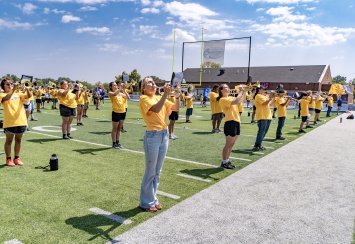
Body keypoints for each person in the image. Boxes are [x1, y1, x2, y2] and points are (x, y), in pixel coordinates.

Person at [139, 77, 179, 212]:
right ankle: (146, 202)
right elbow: (156, 109)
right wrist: (166, 94)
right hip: (153, 135)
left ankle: (152, 198)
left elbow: (175, 108)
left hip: (164, 134)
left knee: (157, 171)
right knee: (150, 171)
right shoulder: (144, 98)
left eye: (153, 82)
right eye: (149, 82)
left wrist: (177, 95)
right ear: (143, 88)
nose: (152, 84)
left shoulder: (158, 96)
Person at [0, 77, 32, 166]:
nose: (10, 85)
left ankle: (17, 158)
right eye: (8, 84)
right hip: (10, 122)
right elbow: (7, 98)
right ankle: (8, 159)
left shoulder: (18, 94)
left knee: (19, 140)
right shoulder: (2, 95)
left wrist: (28, 89)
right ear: (3, 86)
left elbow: (28, 96)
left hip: (21, 120)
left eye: (11, 83)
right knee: (9, 141)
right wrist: (14, 89)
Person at [218, 84, 245, 169]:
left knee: (232, 144)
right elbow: (236, 101)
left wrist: (244, 91)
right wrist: (240, 91)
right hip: (230, 122)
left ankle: (227, 160)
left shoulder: (231, 97)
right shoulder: (222, 99)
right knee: (228, 144)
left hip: (236, 121)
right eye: (226, 87)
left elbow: (241, 100)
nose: (228, 88)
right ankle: (224, 162)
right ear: (221, 90)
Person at [252, 86, 275, 151]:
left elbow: (270, 104)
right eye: (263, 89)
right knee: (261, 131)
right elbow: (265, 103)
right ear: (259, 90)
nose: (265, 90)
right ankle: (256, 145)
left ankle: (259, 144)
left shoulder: (264, 96)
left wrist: (273, 97)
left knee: (264, 132)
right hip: (262, 116)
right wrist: (270, 96)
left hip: (267, 116)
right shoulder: (258, 96)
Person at [108, 81, 130, 149]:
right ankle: (114, 143)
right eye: (114, 85)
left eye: (115, 85)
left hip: (123, 112)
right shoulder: (110, 93)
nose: (115, 86)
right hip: (116, 112)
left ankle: (118, 142)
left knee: (119, 129)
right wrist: (120, 88)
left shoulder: (120, 93)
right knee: (115, 129)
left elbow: (128, 97)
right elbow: (114, 94)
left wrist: (124, 90)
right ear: (111, 87)